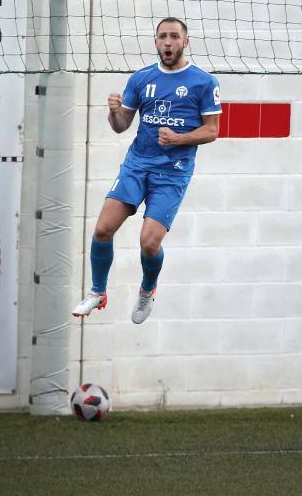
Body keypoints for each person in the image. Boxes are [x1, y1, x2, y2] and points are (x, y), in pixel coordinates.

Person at [72, 17, 221, 324]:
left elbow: (212, 131)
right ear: (156, 42)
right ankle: (97, 291)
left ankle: (147, 290)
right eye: (163, 37)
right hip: (137, 165)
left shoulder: (204, 82)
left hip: (173, 172)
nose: (168, 42)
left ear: (185, 42)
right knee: (102, 229)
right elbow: (120, 126)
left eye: (174, 37)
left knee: (149, 242)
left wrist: (180, 138)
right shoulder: (140, 79)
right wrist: (114, 113)